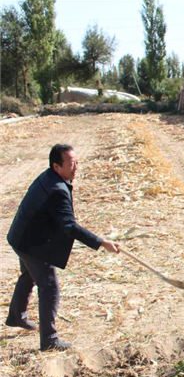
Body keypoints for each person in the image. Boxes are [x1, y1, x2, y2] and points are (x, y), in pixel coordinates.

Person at [5, 144, 120, 351]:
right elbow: (69, 226)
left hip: (22, 236)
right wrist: (102, 242)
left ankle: (16, 317)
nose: (76, 167)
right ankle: (49, 340)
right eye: (71, 163)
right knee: (49, 287)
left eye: (77, 162)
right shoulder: (57, 189)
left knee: (28, 276)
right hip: (31, 243)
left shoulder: (50, 177)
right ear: (57, 166)